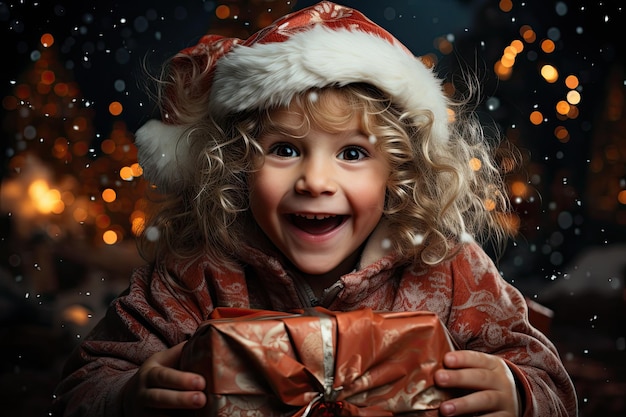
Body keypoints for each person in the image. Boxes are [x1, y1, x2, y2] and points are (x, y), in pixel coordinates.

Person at [53, 2, 578, 416]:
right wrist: (128, 396)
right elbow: (81, 385)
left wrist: (517, 392)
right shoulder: (194, 273)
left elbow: (551, 384)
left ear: (399, 173)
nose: (315, 181)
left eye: (352, 153)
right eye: (284, 150)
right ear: (235, 164)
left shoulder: (450, 268)